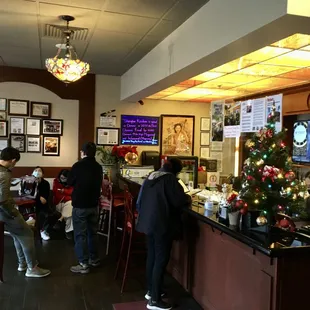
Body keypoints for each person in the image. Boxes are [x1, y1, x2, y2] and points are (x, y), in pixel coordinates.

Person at [136, 158, 191, 310]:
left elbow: (139, 202)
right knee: (161, 259)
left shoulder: (151, 176)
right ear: (174, 170)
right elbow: (179, 201)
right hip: (162, 224)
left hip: (148, 223)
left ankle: (152, 291)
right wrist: (188, 198)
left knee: (152, 257)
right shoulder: (170, 180)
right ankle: (154, 301)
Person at [0, 147, 50, 277]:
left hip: (1, 214)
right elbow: (3, 200)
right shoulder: (4, 174)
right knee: (27, 233)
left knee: (17, 235)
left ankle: (22, 264)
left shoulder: (2, 171)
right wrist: (13, 212)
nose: (14, 165)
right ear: (13, 160)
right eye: (15, 163)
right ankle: (32, 268)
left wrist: (14, 181)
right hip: (6, 212)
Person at [68, 142, 103, 274]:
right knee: (93, 233)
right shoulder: (98, 167)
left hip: (80, 205)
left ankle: (83, 263)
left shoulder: (78, 166)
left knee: (80, 234)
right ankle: (94, 259)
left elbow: (69, 181)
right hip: (94, 204)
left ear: (82, 152)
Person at [53, 169, 73, 238]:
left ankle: (60, 219)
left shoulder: (72, 182)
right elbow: (57, 194)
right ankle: (68, 231)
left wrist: (63, 191)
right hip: (59, 203)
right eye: (61, 178)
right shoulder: (56, 181)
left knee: (70, 205)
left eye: (64, 178)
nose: (62, 179)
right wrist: (68, 194)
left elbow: (73, 192)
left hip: (68, 203)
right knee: (71, 206)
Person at [33, 167, 51, 241]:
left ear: (43, 174)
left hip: (42, 205)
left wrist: (38, 196)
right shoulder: (29, 182)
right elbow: (28, 194)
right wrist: (39, 197)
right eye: (35, 170)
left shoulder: (45, 183)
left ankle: (43, 231)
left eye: (39, 171)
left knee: (46, 214)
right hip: (31, 204)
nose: (37, 172)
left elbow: (44, 200)